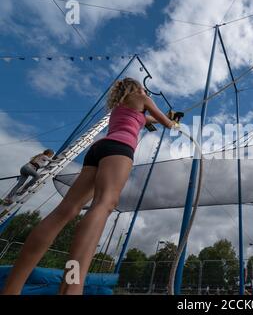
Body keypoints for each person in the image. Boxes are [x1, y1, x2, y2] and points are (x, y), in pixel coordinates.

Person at [1, 77, 175, 295]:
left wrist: (161, 119)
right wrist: (173, 120)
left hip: (98, 149)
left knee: (65, 210)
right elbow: (167, 124)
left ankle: (12, 288)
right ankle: (72, 287)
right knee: (103, 205)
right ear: (137, 88)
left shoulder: (121, 106)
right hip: (120, 149)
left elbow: (150, 119)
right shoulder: (142, 97)